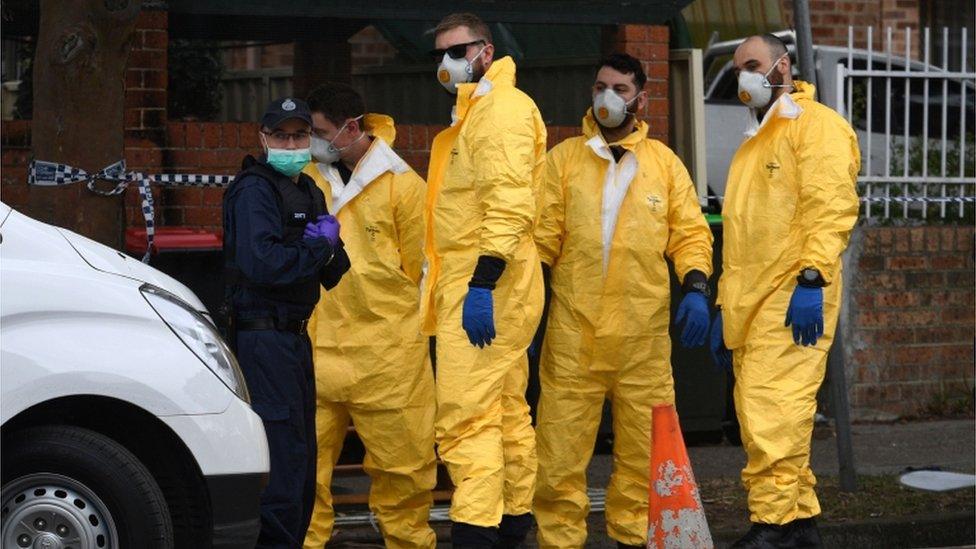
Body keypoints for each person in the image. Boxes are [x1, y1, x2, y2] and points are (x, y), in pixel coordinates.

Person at [531, 53, 714, 549]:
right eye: (600, 86)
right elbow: (540, 242)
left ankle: (632, 540)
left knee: (642, 459)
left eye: (619, 88)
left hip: (643, 344)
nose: (607, 97)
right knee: (559, 458)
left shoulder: (664, 166)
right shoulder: (564, 160)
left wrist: (696, 288)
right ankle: (559, 542)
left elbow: (691, 236)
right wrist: (520, 306)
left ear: (641, 98)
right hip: (574, 337)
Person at [709, 34, 860, 548]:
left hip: (795, 295)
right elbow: (745, 235)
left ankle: (770, 527)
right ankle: (798, 526)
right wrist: (725, 306)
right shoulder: (757, 141)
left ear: (783, 65)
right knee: (769, 414)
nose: (744, 76)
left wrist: (812, 279)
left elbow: (831, 209)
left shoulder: (815, 128)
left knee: (772, 410)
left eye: (753, 64)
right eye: (738, 69)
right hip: (755, 304)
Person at [421, 12, 547, 548]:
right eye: (439, 54)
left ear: (485, 52)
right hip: (492, 283)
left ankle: (475, 531)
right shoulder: (476, 113)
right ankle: (514, 519)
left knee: (466, 417)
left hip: (486, 284)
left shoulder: (499, 112)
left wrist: (482, 281)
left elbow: (509, 202)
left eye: (457, 50)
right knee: (505, 410)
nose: (447, 63)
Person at [299, 83, 437, 549]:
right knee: (303, 471)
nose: (311, 141)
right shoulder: (308, 177)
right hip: (318, 347)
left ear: (351, 128)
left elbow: (423, 268)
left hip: (388, 354)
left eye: (318, 132)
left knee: (404, 471)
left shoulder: (403, 186)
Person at [222, 96, 351, 549]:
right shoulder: (255, 190)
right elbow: (263, 264)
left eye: (300, 135)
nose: (292, 143)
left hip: (295, 339)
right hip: (262, 337)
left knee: (300, 458)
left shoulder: (309, 189)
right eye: (282, 136)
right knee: (278, 461)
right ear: (264, 139)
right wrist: (318, 248)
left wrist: (327, 247)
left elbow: (338, 270)